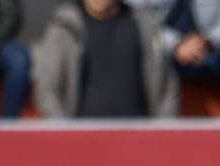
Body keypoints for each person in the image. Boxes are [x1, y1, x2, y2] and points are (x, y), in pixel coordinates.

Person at [34, 0, 179, 119]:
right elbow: (47, 91)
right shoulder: (64, 29)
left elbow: (167, 86)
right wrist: (67, 134)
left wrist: (160, 130)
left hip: (140, 138)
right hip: (84, 140)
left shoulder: (144, 24)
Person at [122, 0, 220, 117]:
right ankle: (153, 126)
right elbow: (139, 20)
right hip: (166, 51)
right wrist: (176, 45)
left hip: (209, 49)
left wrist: (208, 41)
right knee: (137, 49)